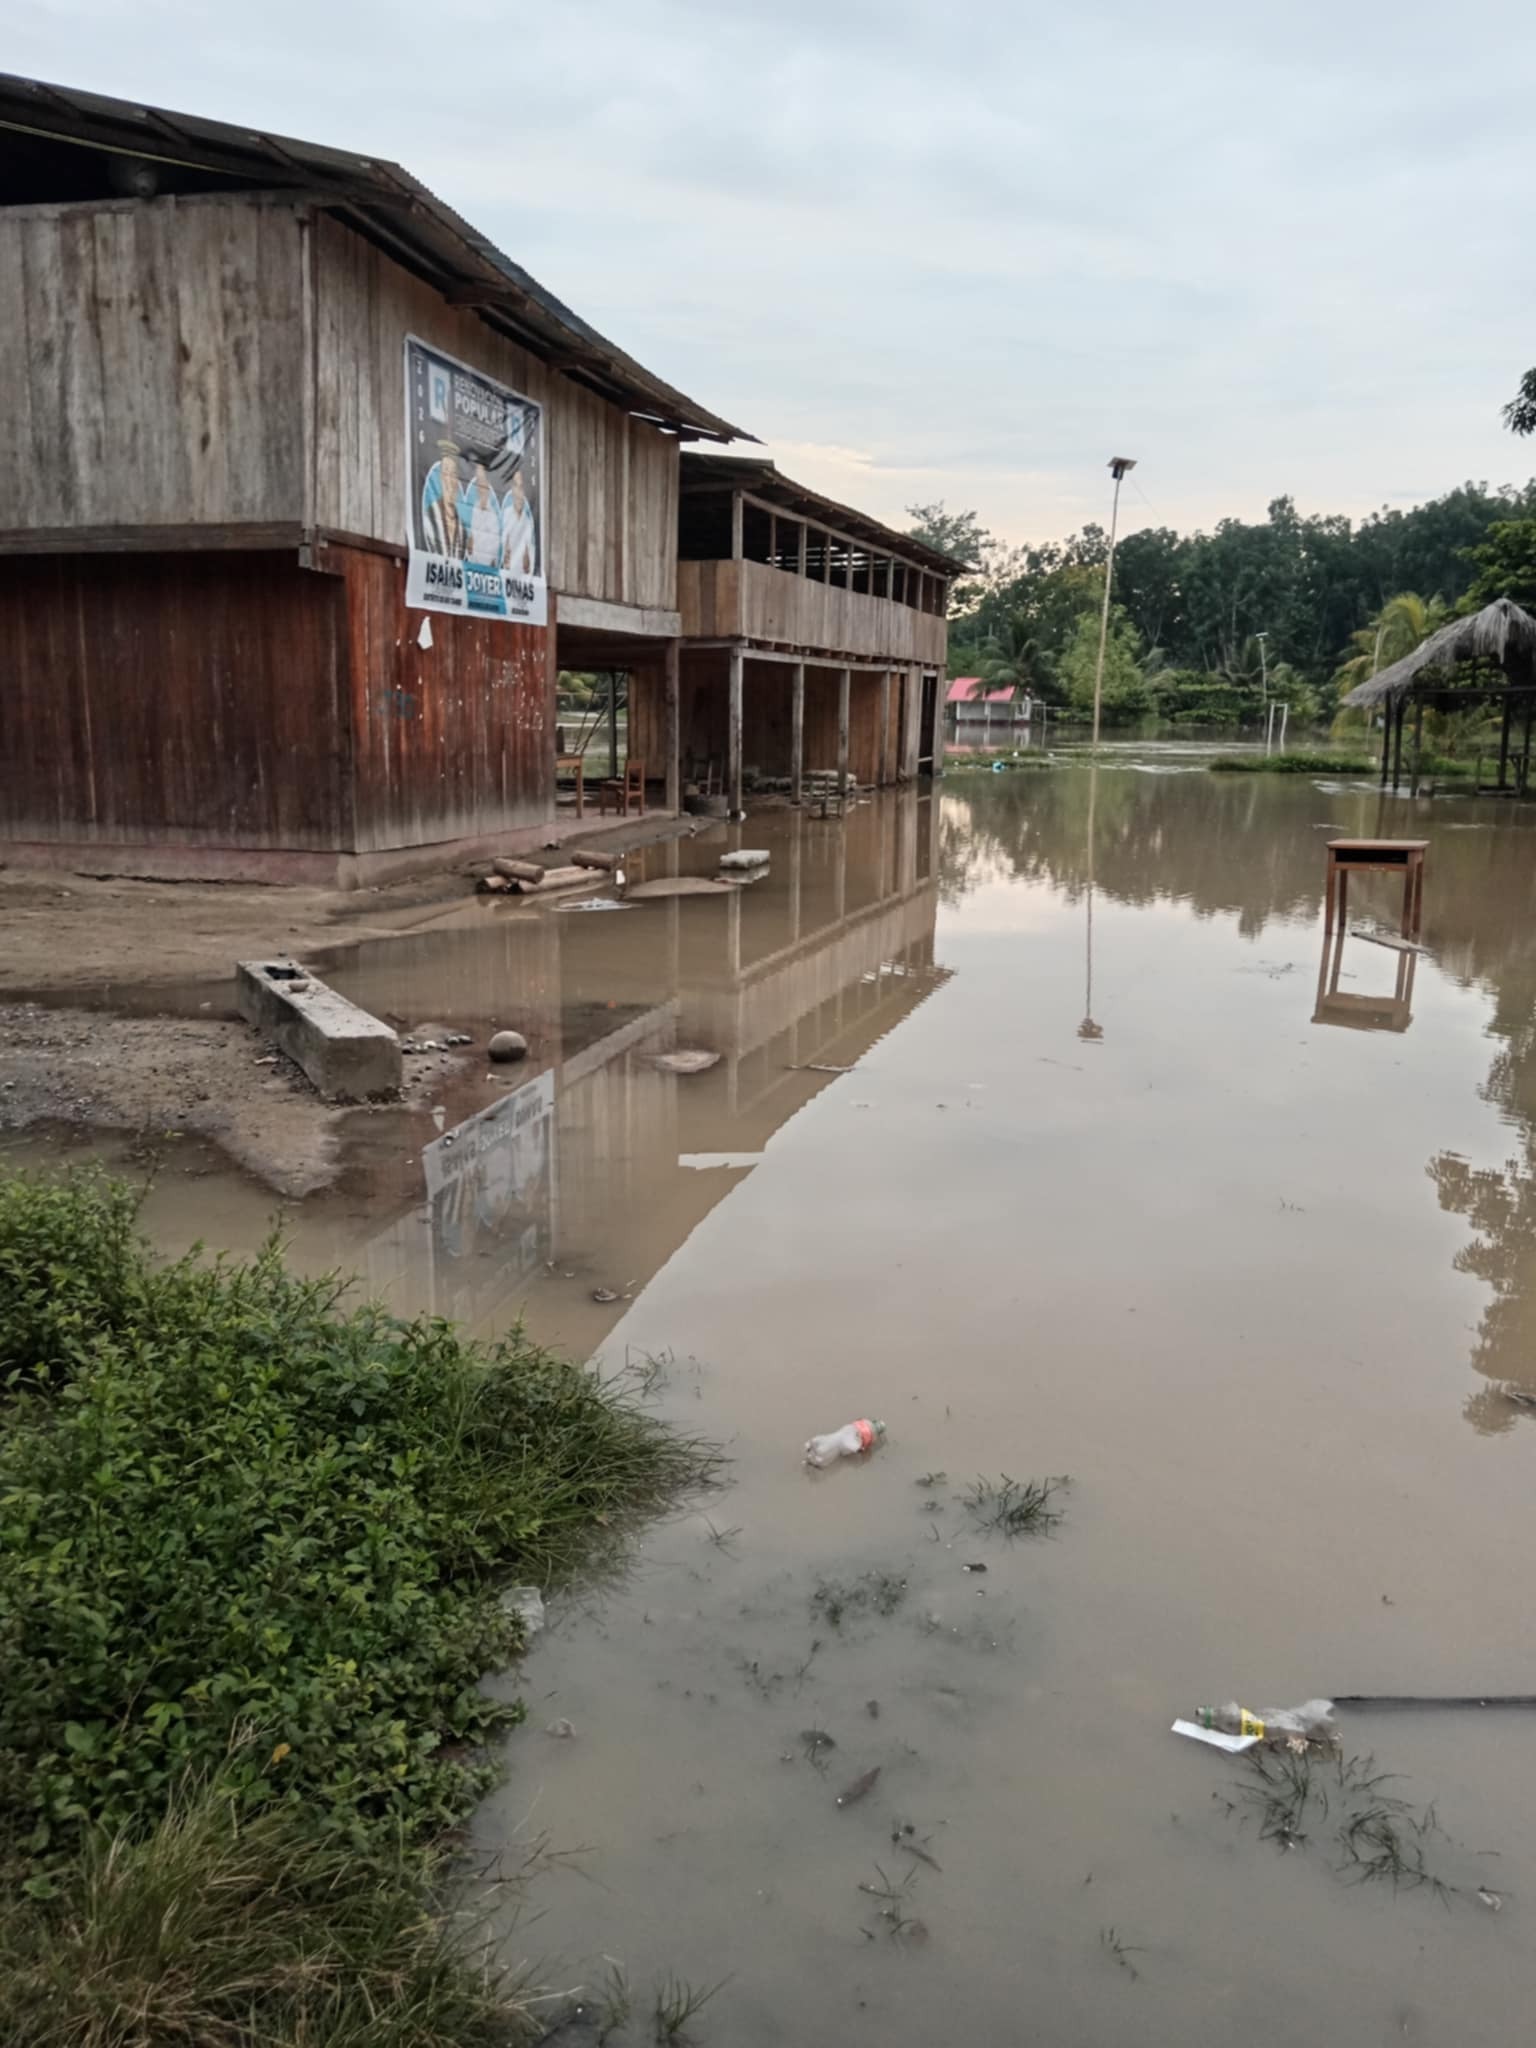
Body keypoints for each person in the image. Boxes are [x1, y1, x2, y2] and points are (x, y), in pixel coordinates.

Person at [420, 442, 465, 557]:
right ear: (440, 478)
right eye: (446, 474)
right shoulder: (430, 516)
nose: (449, 481)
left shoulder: (462, 528)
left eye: (453, 475)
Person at [463, 460, 504, 566]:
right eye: (479, 486)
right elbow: (471, 540)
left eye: (483, 486)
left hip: (487, 565)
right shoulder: (474, 509)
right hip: (473, 564)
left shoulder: (493, 515)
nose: (481, 490)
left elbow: (494, 545)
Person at [500, 465, 539, 578]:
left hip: (522, 582)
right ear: (512, 490)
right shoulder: (506, 515)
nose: (519, 493)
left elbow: (529, 561)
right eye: (516, 487)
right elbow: (501, 550)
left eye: (521, 487)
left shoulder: (527, 522)